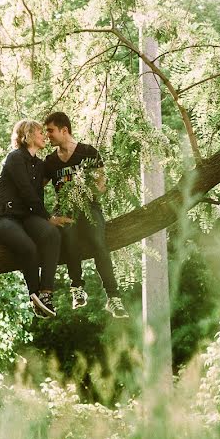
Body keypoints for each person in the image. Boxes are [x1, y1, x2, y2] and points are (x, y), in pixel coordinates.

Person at [43, 111, 129, 318]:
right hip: (65, 210)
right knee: (70, 237)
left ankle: (114, 298)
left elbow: (101, 185)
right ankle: (77, 288)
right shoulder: (50, 161)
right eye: (46, 132)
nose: (48, 136)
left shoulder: (88, 152)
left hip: (90, 207)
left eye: (51, 131)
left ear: (65, 130)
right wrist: (47, 216)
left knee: (98, 242)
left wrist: (86, 184)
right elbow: (35, 189)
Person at [0, 119, 73, 318]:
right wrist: (48, 216)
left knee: (52, 234)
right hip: (3, 218)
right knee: (29, 247)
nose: (44, 136)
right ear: (27, 135)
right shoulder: (15, 158)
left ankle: (46, 293)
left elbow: (61, 170)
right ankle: (35, 296)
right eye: (40, 132)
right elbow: (27, 192)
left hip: (25, 218)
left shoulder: (39, 164)